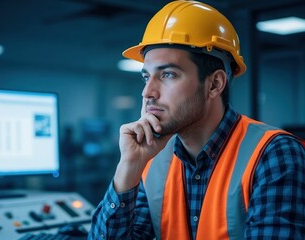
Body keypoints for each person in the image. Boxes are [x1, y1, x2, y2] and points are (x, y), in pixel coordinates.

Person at [89, 0, 305, 239]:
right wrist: (128, 168)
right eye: (146, 77)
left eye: (168, 74)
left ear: (214, 84)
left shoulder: (274, 154)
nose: (147, 92)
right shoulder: (151, 161)